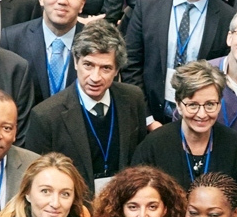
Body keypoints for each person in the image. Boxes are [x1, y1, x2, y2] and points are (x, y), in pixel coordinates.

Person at [23, 21, 151, 188]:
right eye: (88, 65)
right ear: (76, 62)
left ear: (117, 70)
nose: (95, 77)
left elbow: (139, 162)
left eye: (105, 68)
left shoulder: (133, 99)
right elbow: (38, 182)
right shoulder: (46, 116)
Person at [123, 0, 234, 114]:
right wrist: (147, 118)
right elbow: (131, 63)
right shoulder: (147, 2)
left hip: (199, 118)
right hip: (150, 114)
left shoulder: (226, 17)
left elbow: (223, 79)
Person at [135, 61, 237, 193]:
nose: (202, 114)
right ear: (178, 105)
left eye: (210, 104)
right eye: (193, 105)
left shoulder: (232, 143)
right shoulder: (154, 144)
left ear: (219, 104)